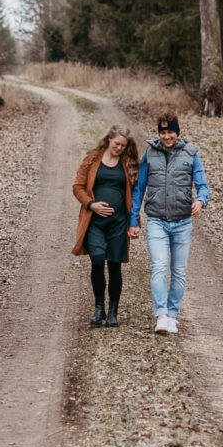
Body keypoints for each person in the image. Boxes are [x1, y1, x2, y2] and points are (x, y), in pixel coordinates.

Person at [128, 113, 209, 334]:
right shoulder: (150, 154)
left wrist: (200, 201)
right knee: (159, 266)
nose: (166, 137)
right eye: (163, 132)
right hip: (157, 221)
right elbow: (139, 189)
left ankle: (173, 315)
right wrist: (133, 220)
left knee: (179, 271)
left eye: (170, 132)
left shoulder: (190, 154)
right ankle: (161, 315)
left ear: (177, 132)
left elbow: (202, 186)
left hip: (183, 223)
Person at [73, 126, 140, 327]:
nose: (119, 148)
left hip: (118, 223)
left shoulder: (128, 163)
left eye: (123, 146)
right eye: (116, 144)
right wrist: (91, 204)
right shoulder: (92, 159)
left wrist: (134, 223)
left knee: (114, 266)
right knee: (97, 260)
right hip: (95, 222)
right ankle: (99, 307)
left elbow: (135, 195)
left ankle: (113, 312)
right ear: (109, 139)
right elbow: (78, 187)